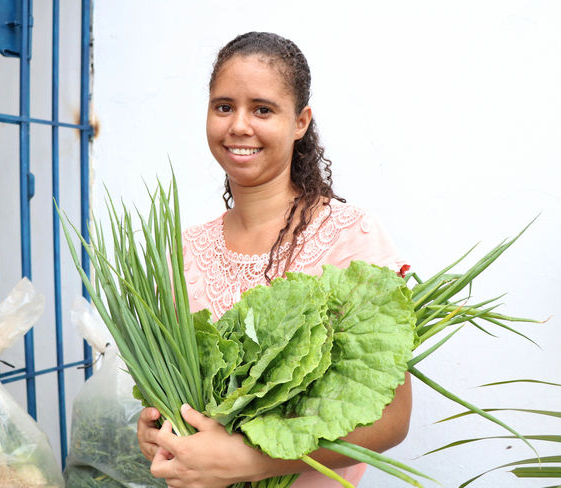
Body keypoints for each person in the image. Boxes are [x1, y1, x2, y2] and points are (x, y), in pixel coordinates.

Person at [137, 31, 412, 488]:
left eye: (262, 109)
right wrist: (154, 429)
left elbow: (392, 420)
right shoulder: (182, 252)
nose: (239, 126)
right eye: (224, 106)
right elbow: (169, 397)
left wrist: (250, 461)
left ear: (300, 121)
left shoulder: (350, 239)